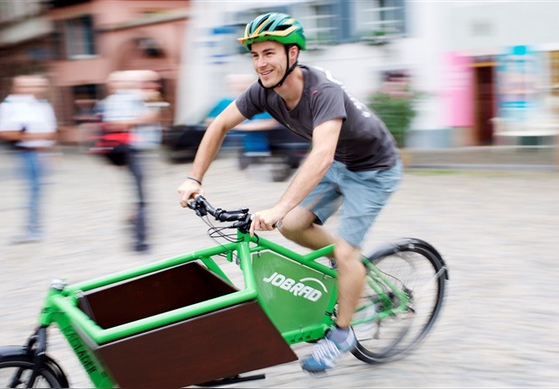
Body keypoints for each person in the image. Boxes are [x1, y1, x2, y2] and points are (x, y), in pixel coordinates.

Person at [177, 12, 403, 373]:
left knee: (344, 250)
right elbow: (219, 125)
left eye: (269, 53)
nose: (260, 63)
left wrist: (278, 206)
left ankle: (342, 332)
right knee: (293, 226)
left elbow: (322, 153)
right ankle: (345, 268)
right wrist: (194, 178)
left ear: (292, 54)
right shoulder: (264, 92)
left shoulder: (321, 92)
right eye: (254, 55)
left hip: (373, 171)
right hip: (339, 164)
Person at [98, 70, 162, 253]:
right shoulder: (115, 101)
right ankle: (140, 240)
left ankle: (135, 225)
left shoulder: (139, 97)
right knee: (141, 197)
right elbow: (115, 124)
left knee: (141, 196)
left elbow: (157, 115)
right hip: (131, 152)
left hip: (143, 151)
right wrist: (143, 118)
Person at [0, 75, 58, 244]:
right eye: (28, 86)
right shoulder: (8, 106)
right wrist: (31, 135)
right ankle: (32, 229)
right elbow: (0, 132)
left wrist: (50, 151)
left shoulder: (42, 105)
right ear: (17, 88)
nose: (34, 89)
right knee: (32, 192)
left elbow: (51, 132)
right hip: (26, 152)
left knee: (38, 192)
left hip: (41, 152)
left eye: (38, 85)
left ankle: (35, 228)